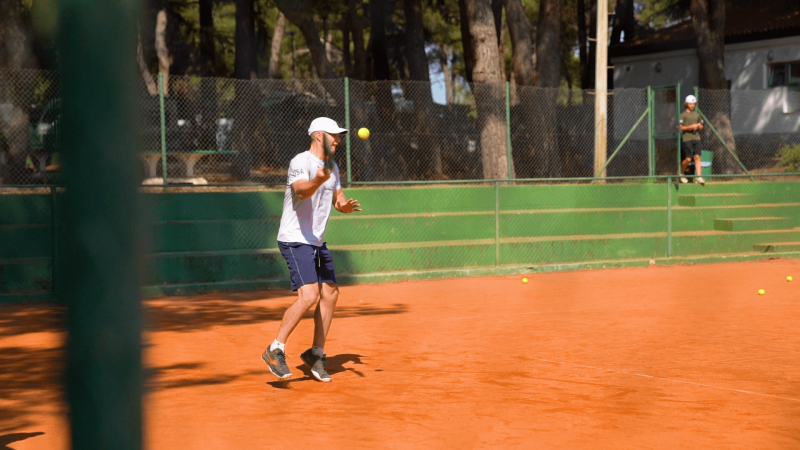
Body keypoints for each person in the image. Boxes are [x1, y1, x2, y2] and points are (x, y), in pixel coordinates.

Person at [262, 117, 361, 382]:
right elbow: (301, 192)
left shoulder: (333, 166)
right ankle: (276, 349)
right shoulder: (300, 162)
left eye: (339, 136)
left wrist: (343, 205)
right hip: (295, 238)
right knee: (309, 296)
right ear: (319, 136)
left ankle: (316, 354)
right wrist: (318, 179)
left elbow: (337, 199)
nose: (338, 140)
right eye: (334, 135)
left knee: (330, 294)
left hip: (316, 240)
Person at [679, 95, 706, 185]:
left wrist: (699, 126)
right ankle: (681, 174)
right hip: (687, 139)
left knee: (697, 157)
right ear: (687, 104)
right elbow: (680, 128)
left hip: (696, 139)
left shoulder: (697, 115)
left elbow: (701, 126)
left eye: (694, 103)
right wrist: (691, 127)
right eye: (690, 104)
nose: (692, 105)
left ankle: (699, 177)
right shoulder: (683, 115)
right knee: (688, 159)